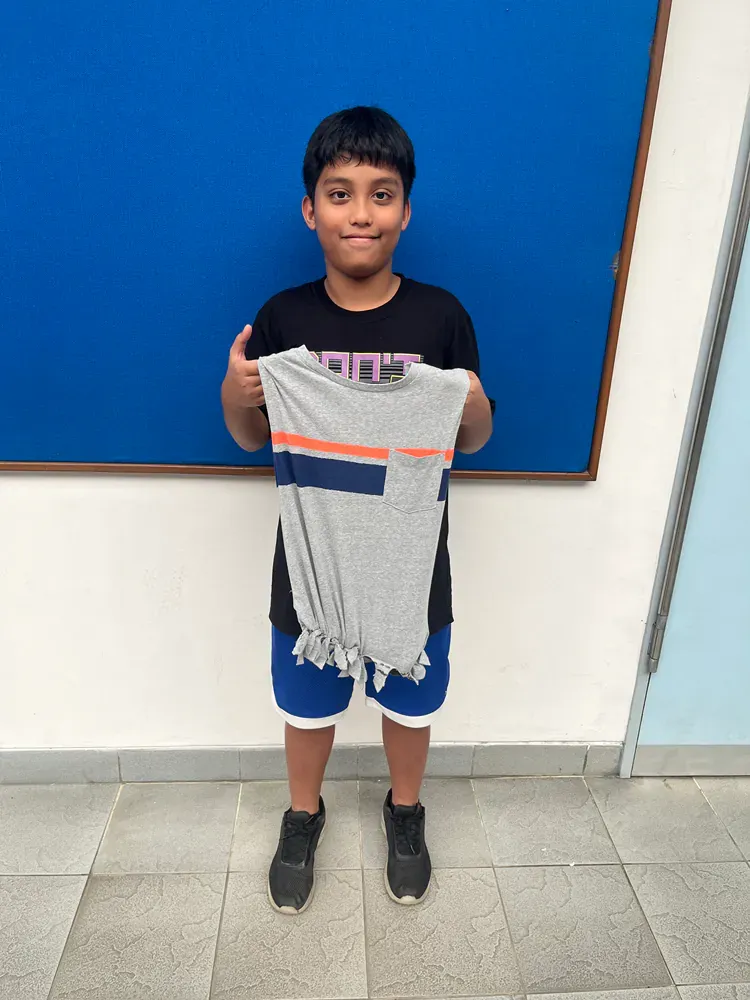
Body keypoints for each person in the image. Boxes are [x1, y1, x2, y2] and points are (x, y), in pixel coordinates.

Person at [221, 106, 493, 915]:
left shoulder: (441, 318)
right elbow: (249, 437)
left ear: (405, 210)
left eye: (381, 195)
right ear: (311, 209)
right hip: (310, 561)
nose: (361, 212)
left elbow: (474, 438)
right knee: (306, 710)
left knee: (412, 704)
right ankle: (303, 814)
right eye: (340, 194)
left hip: (412, 559)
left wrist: (469, 400)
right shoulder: (283, 319)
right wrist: (234, 394)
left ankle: (404, 812)